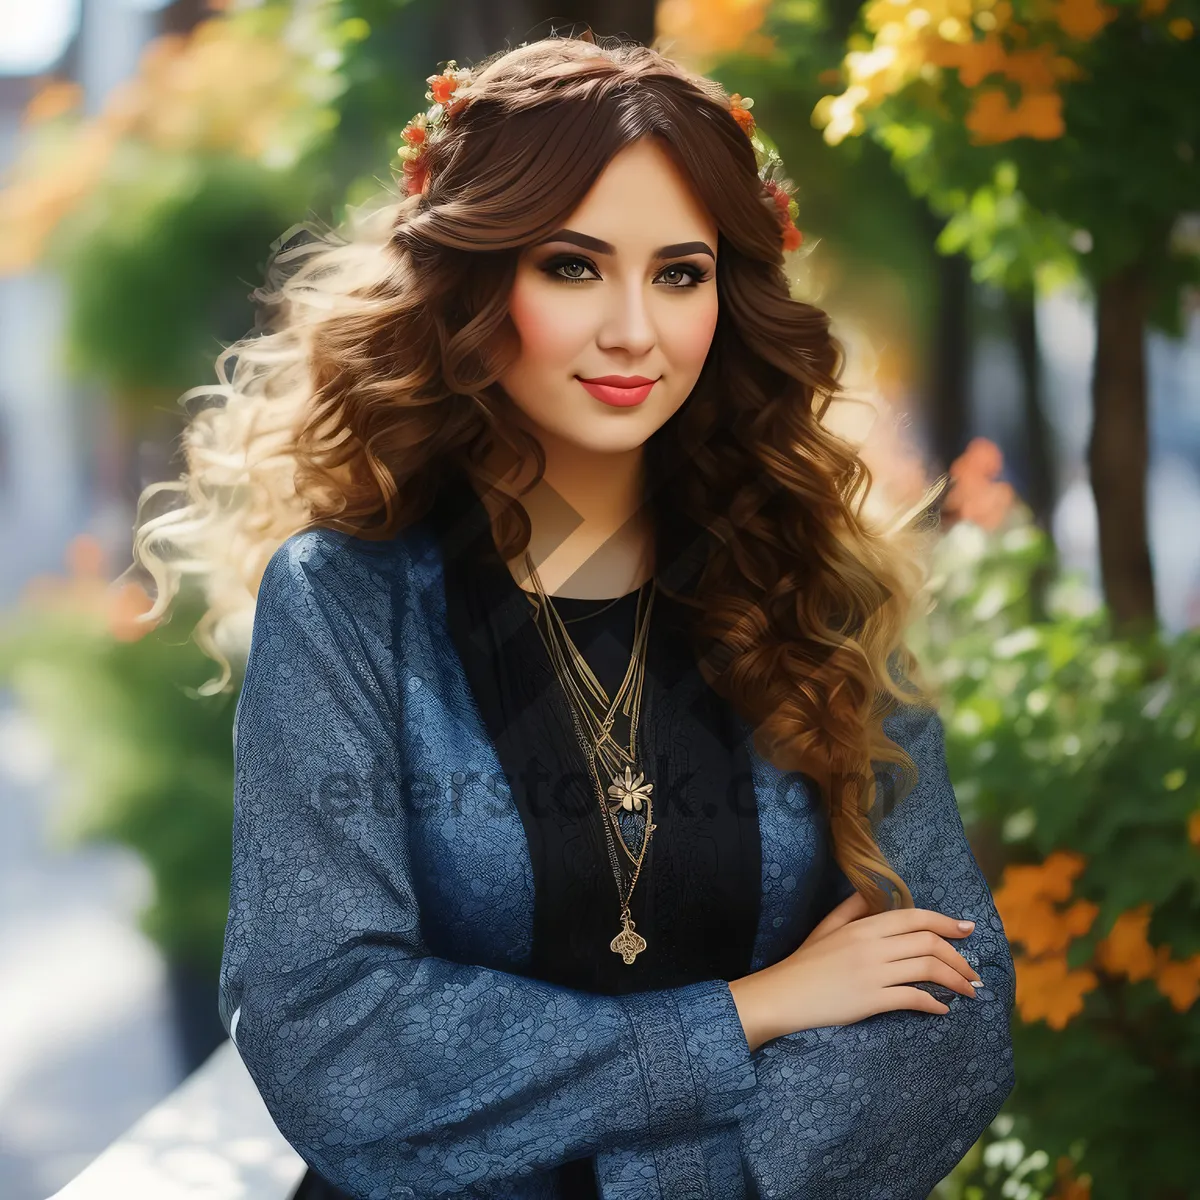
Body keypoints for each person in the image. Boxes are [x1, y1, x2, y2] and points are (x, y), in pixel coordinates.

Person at [128, 32, 1016, 1200]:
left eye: (680, 274)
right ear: (474, 280)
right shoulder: (347, 605)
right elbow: (336, 1040)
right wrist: (749, 1013)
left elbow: (949, 1007)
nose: (634, 330)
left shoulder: (814, 591)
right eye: (572, 266)